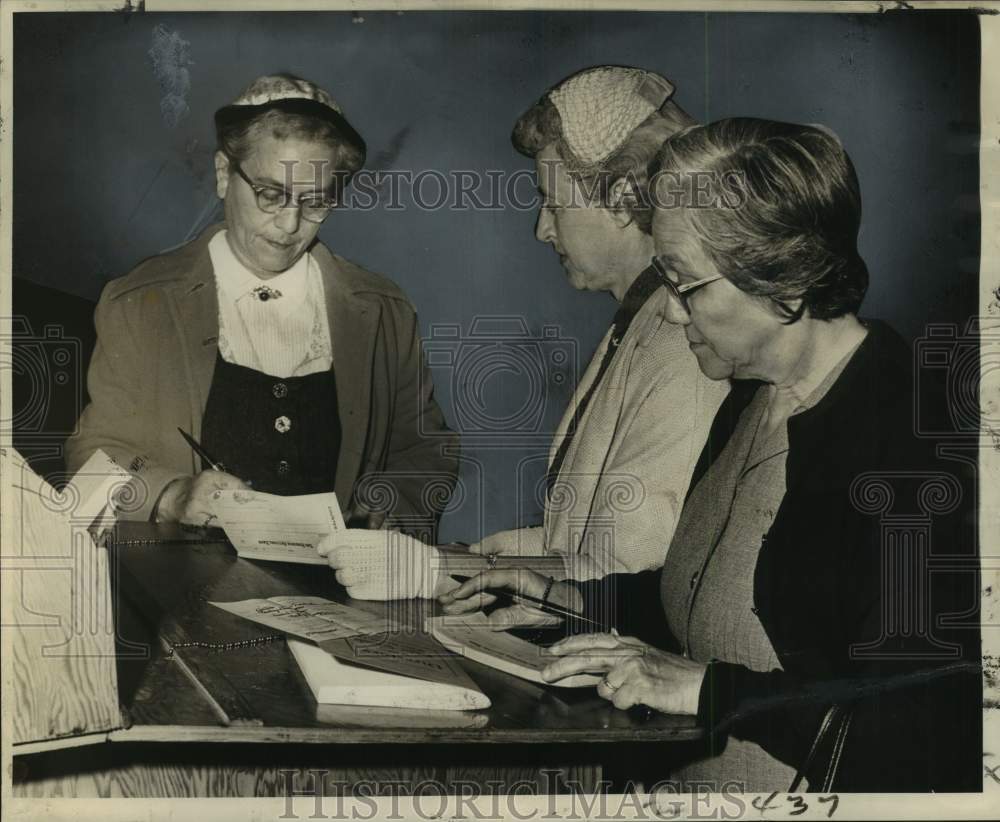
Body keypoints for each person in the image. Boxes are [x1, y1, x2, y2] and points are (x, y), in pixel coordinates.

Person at [440, 118, 981, 791]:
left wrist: (707, 694)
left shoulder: (911, 448)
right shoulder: (750, 400)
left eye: (686, 284)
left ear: (785, 283)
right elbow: (704, 603)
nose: (669, 313)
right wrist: (563, 595)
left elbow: (926, 729)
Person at [324, 66, 728, 594]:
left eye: (554, 205)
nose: (542, 229)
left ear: (626, 199)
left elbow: (629, 576)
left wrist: (444, 571)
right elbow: (580, 540)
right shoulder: (638, 323)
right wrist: (469, 559)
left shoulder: (685, 344)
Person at [65, 74, 458, 537]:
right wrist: (171, 495)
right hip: (182, 591)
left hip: (335, 595)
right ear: (222, 174)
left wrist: (387, 510)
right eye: (270, 194)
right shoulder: (140, 302)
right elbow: (89, 460)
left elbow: (424, 452)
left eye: (315, 202)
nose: (290, 224)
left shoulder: (384, 313)